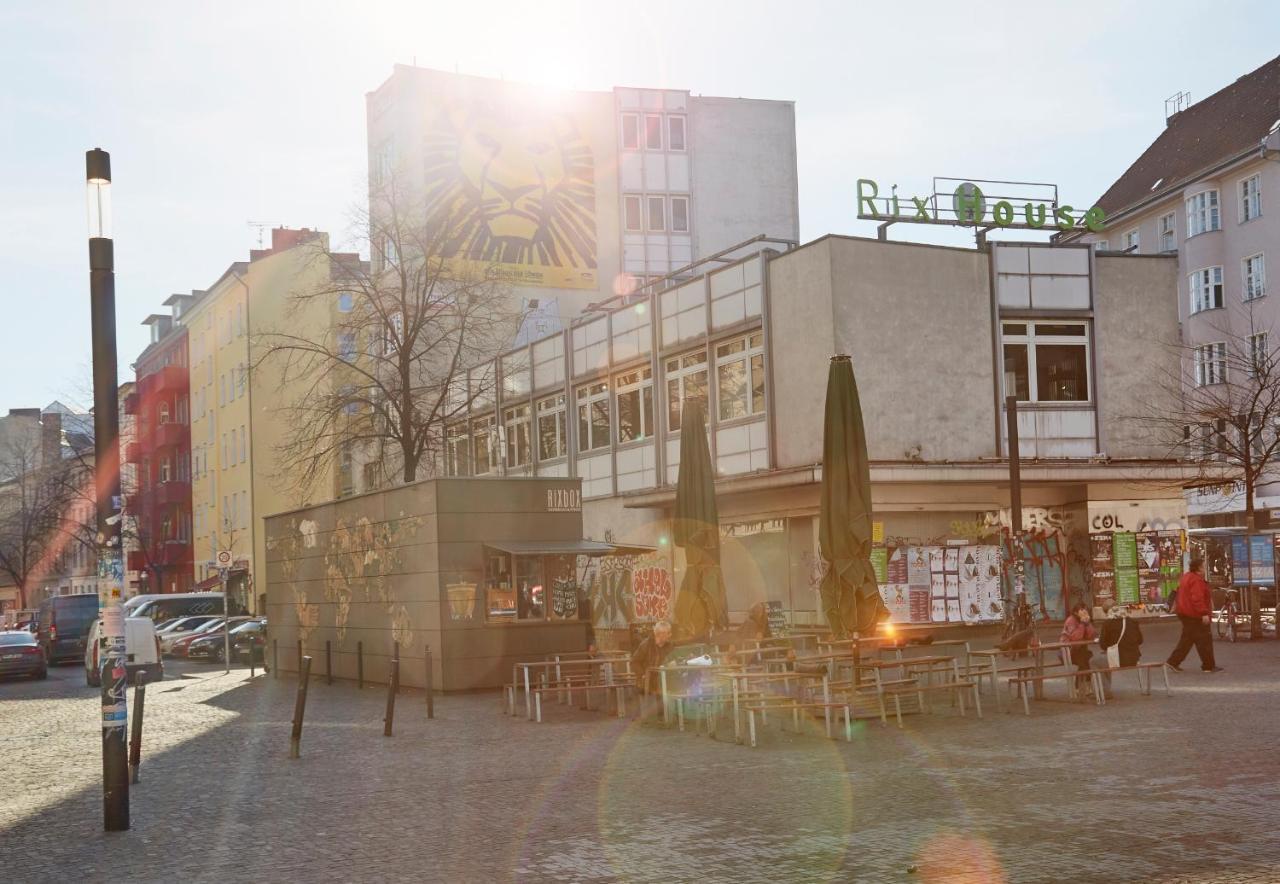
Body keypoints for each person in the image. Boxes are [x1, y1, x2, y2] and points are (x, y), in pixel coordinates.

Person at [1167, 558, 1222, 673]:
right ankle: (1208, 666)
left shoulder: (1186, 577)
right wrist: (1204, 613)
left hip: (1185, 613)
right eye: (1204, 566)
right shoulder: (1197, 580)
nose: (1205, 568)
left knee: (1187, 640)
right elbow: (1197, 598)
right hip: (1194, 615)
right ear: (1199, 568)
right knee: (1204, 640)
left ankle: (1173, 662)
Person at [1061, 601, 1109, 699]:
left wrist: (1088, 624)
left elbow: (1092, 635)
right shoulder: (1071, 621)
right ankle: (1081, 686)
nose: (1084, 612)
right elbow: (1075, 638)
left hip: (1081, 650)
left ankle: (1083, 686)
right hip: (1068, 651)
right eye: (1082, 610)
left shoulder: (1085, 620)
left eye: (1085, 610)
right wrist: (1082, 624)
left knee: (1088, 659)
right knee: (1085, 660)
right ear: (1076, 612)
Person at [631, 620, 676, 695]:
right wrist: (643, 674)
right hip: (647, 684)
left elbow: (672, 660)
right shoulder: (646, 645)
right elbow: (634, 662)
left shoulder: (670, 646)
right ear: (660, 634)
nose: (670, 635)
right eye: (668, 633)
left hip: (665, 682)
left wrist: (672, 664)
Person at [1097, 599, 1143, 667]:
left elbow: (1103, 645)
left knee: (1096, 662)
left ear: (1107, 612)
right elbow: (1140, 640)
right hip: (1134, 659)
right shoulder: (1133, 621)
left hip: (1117, 661)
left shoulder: (1107, 624)